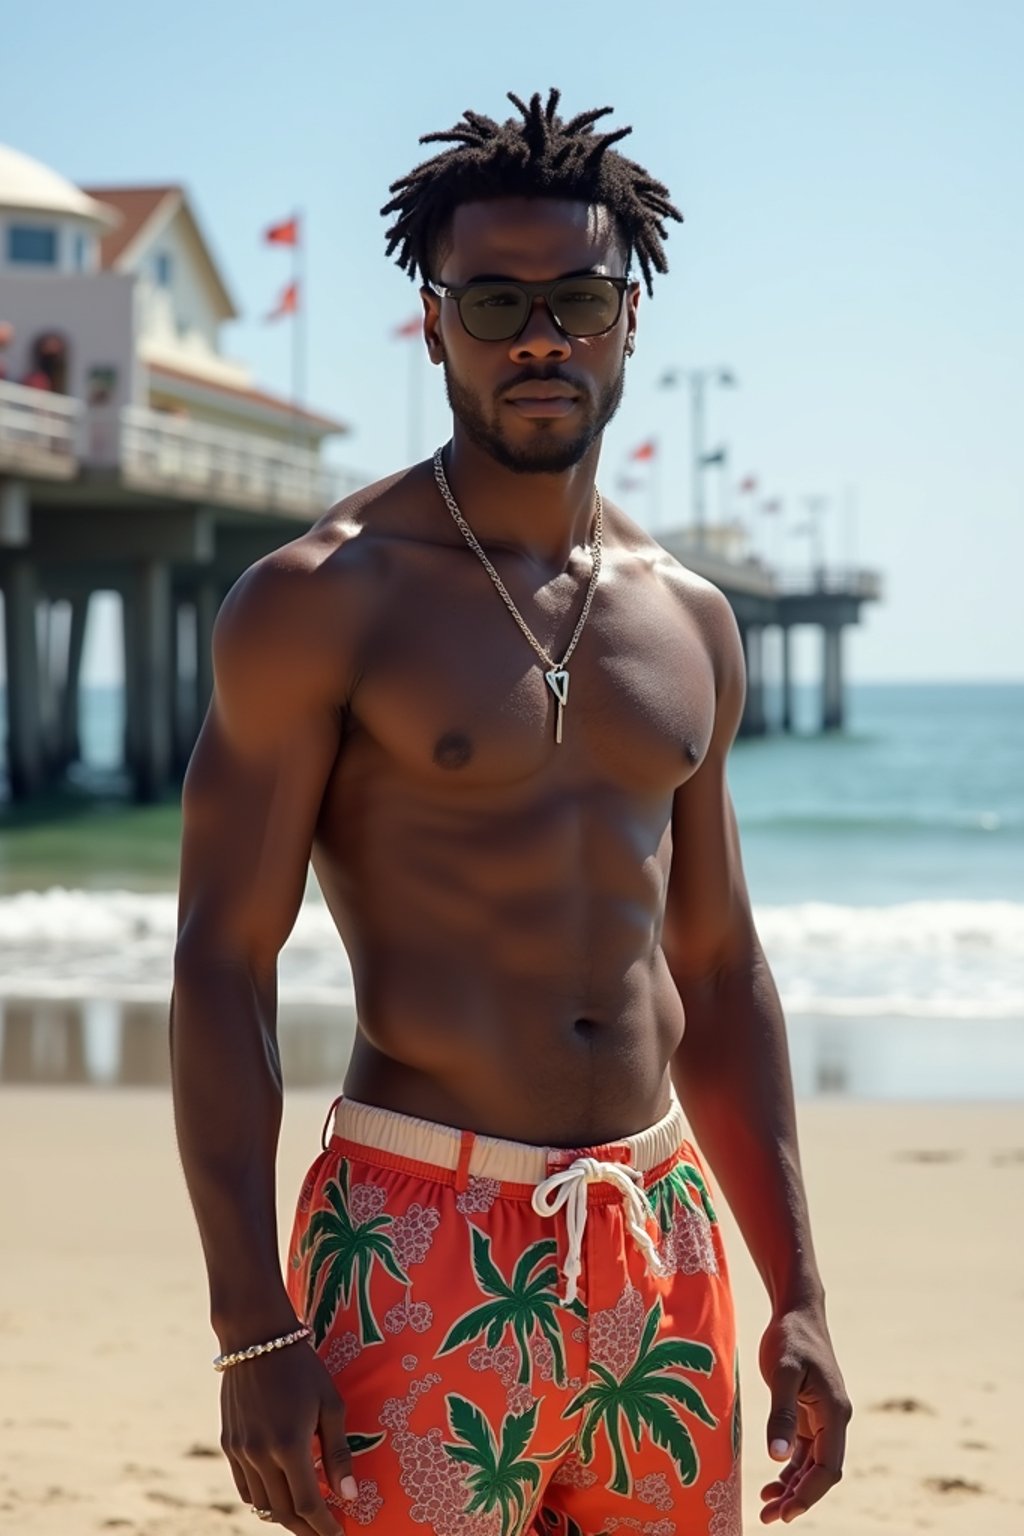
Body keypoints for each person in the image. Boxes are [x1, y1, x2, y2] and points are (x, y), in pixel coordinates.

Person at [171, 89, 850, 1536]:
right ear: (433, 323)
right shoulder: (320, 600)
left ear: (631, 315)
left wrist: (796, 1288)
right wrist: (250, 1318)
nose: (539, 333)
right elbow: (220, 961)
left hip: (656, 1242)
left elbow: (718, 969)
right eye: (493, 299)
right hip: (418, 1233)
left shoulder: (692, 624)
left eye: (578, 297)